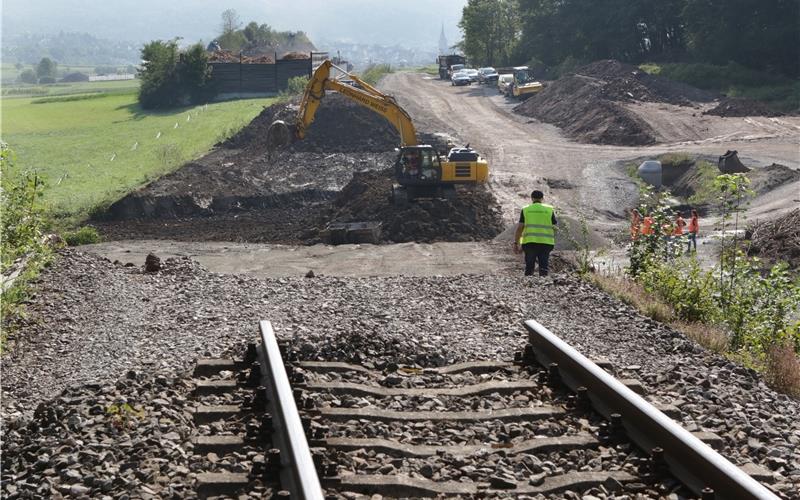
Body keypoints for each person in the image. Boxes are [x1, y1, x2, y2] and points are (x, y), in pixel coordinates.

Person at [514, 190, 557, 276]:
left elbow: (520, 228)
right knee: (544, 266)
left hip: (530, 242)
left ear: (532, 198)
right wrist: (551, 237)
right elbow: (555, 227)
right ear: (542, 199)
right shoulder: (549, 209)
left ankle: (528, 285)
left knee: (529, 266)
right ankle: (543, 285)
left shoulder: (526, 209)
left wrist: (517, 242)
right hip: (546, 243)